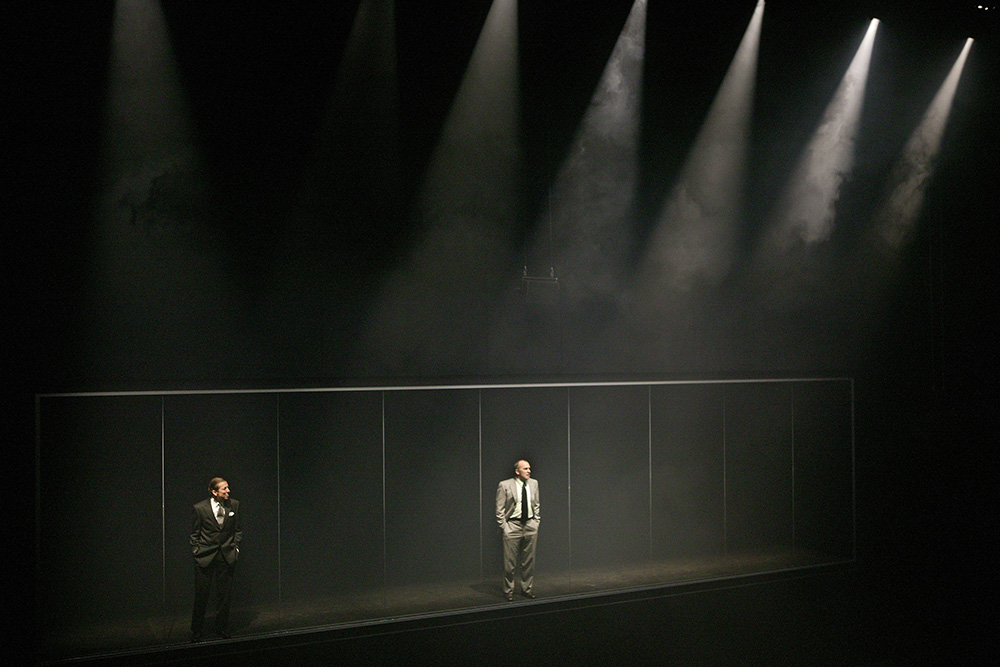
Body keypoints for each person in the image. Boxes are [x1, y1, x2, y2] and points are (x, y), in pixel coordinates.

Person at [190, 477, 242, 641]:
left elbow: (238, 530)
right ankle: (197, 630)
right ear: (214, 492)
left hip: (226, 556)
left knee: (224, 596)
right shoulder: (200, 508)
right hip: (205, 556)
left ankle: (221, 628)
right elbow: (195, 533)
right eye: (224, 488)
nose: (228, 491)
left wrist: (236, 548)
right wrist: (196, 550)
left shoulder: (234, 505)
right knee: (201, 595)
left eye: (228, 487)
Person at [495, 460, 540, 601]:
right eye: (525, 468)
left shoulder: (534, 483)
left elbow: (536, 504)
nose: (528, 471)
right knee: (510, 562)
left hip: (530, 525)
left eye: (529, 468)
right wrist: (504, 527)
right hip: (513, 525)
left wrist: (536, 521)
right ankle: (508, 590)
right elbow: (499, 508)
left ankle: (527, 589)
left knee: (529, 561)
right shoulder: (505, 485)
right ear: (517, 471)